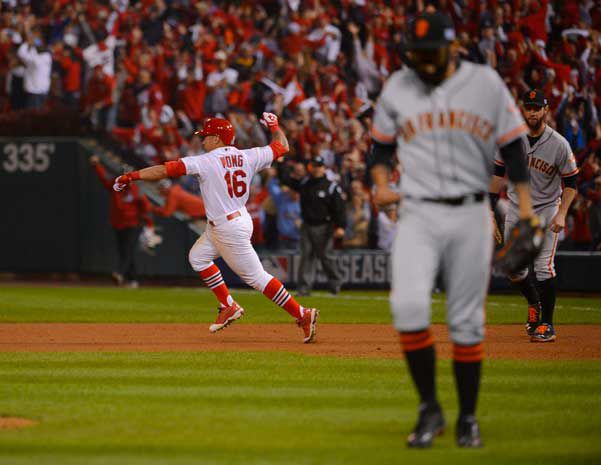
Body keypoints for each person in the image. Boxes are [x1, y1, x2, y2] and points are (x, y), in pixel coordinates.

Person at [369, 12, 537, 449]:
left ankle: (467, 418)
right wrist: (383, 185)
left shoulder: (484, 83)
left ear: (452, 48)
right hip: (418, 213)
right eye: (417, 54)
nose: (423, 62)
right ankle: (430, 408)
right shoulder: (398, 85)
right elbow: (381, 147)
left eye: (431, 53)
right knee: (407, 307)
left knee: (466, 321)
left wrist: (524, 209)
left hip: (470, 213)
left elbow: (515, 146)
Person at [112, 115, 319, 343]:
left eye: (206, 136)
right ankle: (228, 305)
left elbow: (164, 170)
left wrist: (132, 176)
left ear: (217, 139)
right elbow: (283, 146)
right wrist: (274, 126)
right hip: (235, 218)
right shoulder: (248, 155)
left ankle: (302, 314)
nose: (202, 141)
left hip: (227, 226)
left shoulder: (206, 161)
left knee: (257, 278)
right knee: (198, 258)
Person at [490, 89, 578, 342]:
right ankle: (534, 303)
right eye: (528, 107)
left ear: (545, 110)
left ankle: (547, 325)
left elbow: (572, 182)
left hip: (547, 208)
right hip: (517, 208)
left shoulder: (559, 144)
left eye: (536, 107)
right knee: (513, 270)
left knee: (543, 267)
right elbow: (496, 175)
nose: (532, 112)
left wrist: (562, 213)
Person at [277, 156, 346, 296]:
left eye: (319, 166)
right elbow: (286, 180)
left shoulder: (331, 187)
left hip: (325, 226)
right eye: (314, 166)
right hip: (307, 225)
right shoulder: (305, 183)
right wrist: (280, 164)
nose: (316, 169)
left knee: (326, 257)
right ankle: (304, 288)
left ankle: (335, 284)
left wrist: (340, 226)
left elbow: (339, 207)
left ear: (324, 168)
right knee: (306, 256)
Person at [90, 155, 154, 287]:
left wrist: (148, 224)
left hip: (134, 224)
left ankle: (120, 274)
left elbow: (146, 208)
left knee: (128, 250)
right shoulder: (116, 188)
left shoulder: (136, 191)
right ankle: (133, 279)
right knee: (124, 251)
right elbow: (104, 179)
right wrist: (96, 166)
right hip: (118, 223)